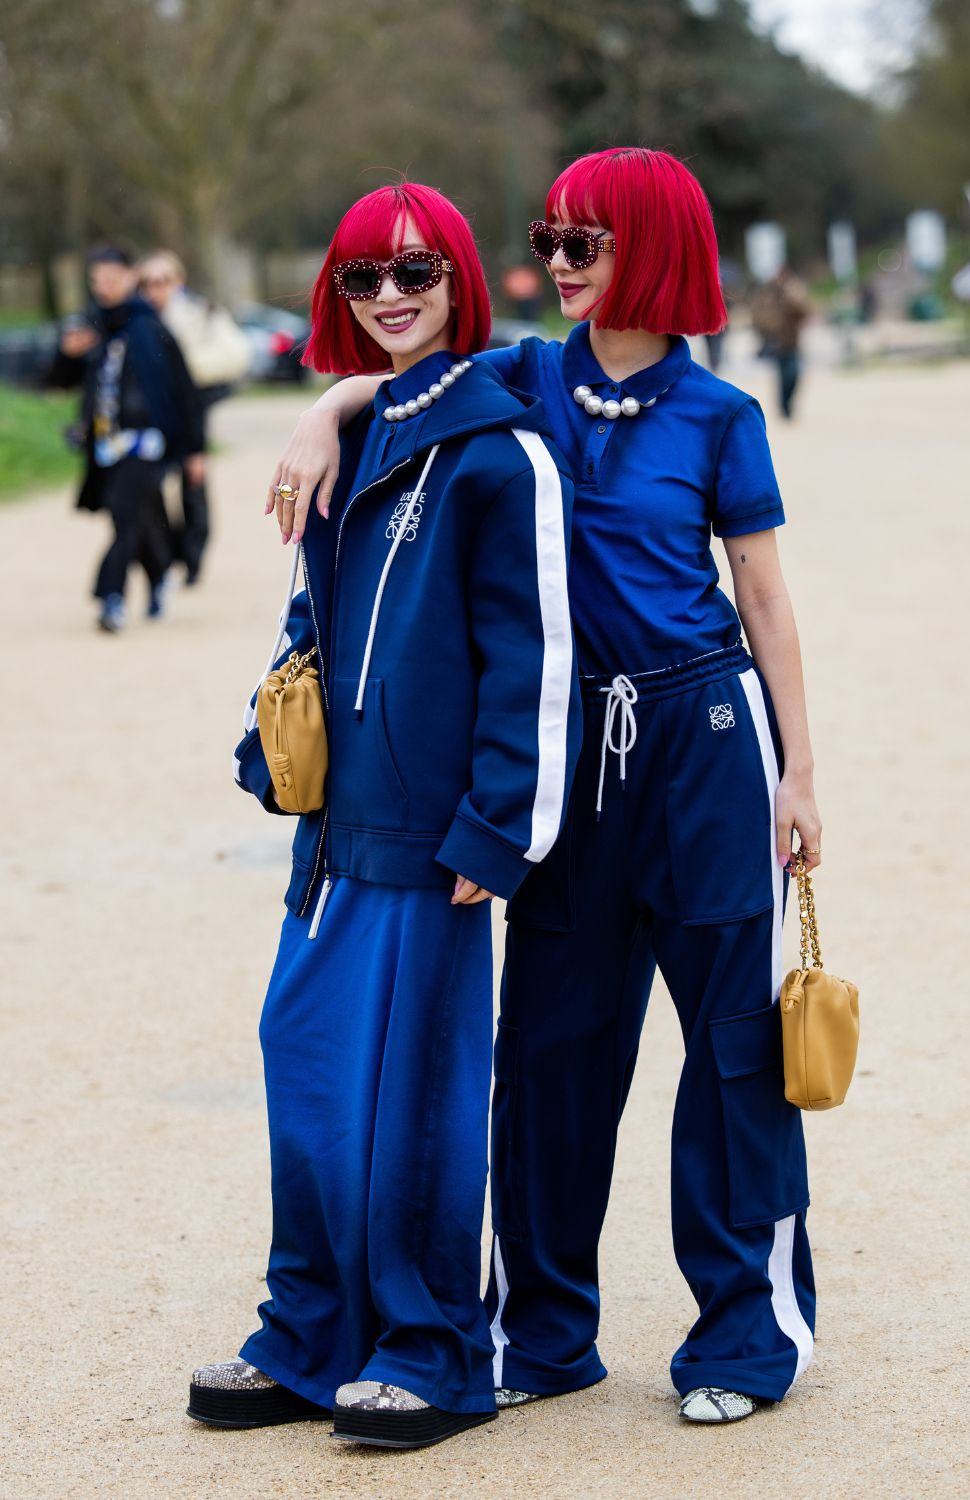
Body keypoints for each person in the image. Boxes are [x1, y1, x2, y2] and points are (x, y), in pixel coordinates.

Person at [268, 147, 824, 1428]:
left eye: (588, 243)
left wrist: (800, 770)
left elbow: (765, 596)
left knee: (735, 1053)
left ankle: (745, 1332)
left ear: (657, 249)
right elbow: (403, 377)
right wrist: (323, 410)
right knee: (552, 1058)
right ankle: (547, 1332)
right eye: (550, 240)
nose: (559, 265)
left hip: (703, 739)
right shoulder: (524, 375)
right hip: (572, 757)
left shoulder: (721, 418)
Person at [187, 184, 578, 1450]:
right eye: (363, 276)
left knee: (416, 1099)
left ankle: (433, 1352)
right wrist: (272, 742)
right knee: (301, 1063)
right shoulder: (351, 440)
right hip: (333, 832)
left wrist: (498, 827)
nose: (391, 294)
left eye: (414, 269)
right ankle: (307, 1336)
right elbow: (318, 621)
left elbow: (535, 655)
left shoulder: (501, 448)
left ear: (460, 276)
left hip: (434, 839)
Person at [46, 244, 205, 631]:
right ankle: (159, 572)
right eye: (97, 280)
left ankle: (110, 596)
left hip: (147, 441)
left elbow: (185, 391)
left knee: (123, 511)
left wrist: (195, 449)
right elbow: (58, 382)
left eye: (112, 279)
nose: (104, 287)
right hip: (104, 444)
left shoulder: (151, 328)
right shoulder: (91, 328)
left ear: (131, 278)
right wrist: (67, 355)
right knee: (139, 518)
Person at [138, 251, 252, 584]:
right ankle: (166, 553)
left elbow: (235, 354)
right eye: (147, 283)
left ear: (178, 282)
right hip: (150, 413)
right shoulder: (139, 320)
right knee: (151, 487)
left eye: (162, 281)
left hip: (190, 410)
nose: (154, 290)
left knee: (193, 483)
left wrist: (183, 372)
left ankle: (193, 555)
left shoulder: (199, 312)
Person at [750, 266, 811, 419]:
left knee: (794, 375)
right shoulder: (767, 295)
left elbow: (805, 311)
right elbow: (758, 316)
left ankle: (788, 403)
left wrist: (790, 297)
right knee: (783, 376)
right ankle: (784, 407)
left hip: (792, 341)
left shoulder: (794, 293)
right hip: (775, 341)